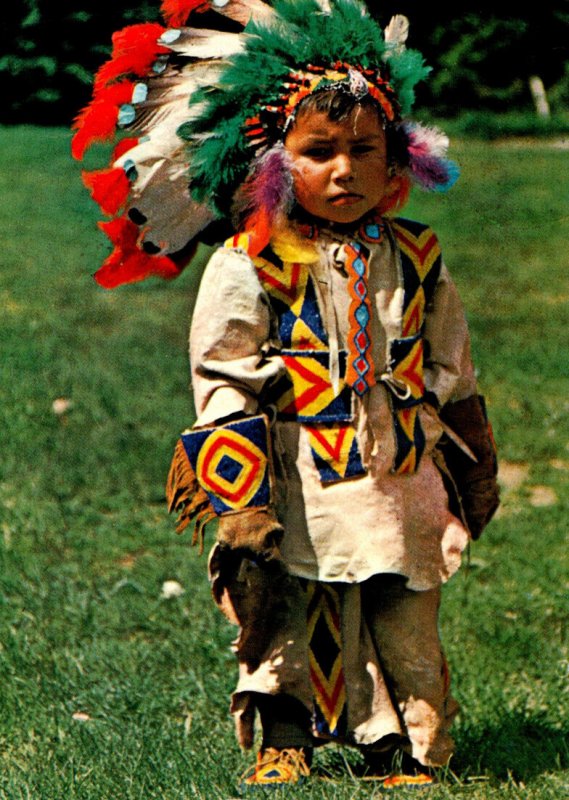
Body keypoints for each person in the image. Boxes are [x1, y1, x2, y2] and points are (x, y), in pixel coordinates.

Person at [72, 0, 500, 788]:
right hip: (298, 480)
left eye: (364, 150)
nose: (345, 170)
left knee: (402, 619)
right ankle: (286, 737)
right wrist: (239, 502)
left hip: (399, 480)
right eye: (319, 151)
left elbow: (453, 365)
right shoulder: (246, 263)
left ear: (398, 157)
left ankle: (407, 748)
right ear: (273, 162)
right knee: (287, 616)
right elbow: (223, 380)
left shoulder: (417, 256)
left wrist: (474, 464)